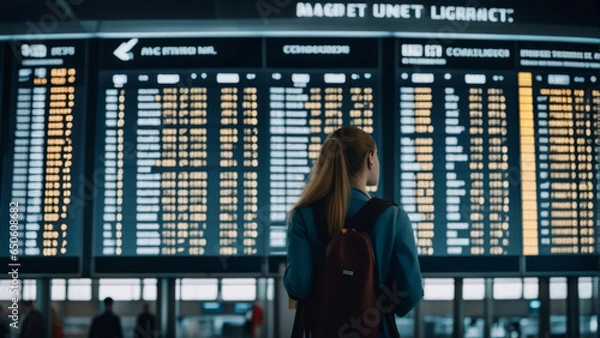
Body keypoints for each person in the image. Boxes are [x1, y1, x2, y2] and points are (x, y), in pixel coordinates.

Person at [284, 126, 424, 337]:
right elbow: (410, 293)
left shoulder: (303, 216)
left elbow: (299, 286)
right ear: (369, 158)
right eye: (376, 156)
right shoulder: (393, 216)